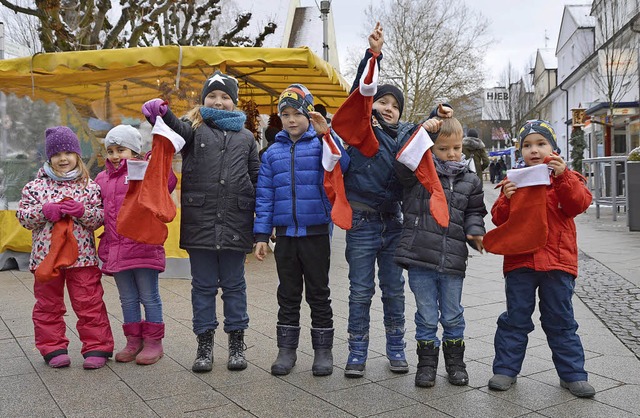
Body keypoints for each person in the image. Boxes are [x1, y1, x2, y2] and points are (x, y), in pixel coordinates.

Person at [332, 22, 453, 378]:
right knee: (359, 290)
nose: (387, 108)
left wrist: (438, 114)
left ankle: (396, 347)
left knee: (393, 291)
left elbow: (424, 131)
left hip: (393, 223)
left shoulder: (404, 134)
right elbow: (360, 91)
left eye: (394, 105)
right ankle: (356, 351)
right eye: (382, 102)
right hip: (361, 223)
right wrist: (374, 55)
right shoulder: (359, 132)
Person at [142, 70, 259, 373]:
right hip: (201, 222)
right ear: (203, 99)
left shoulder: (247, 138)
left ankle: (236, 342)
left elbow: (258, 178)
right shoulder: (193, 130)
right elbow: (174, 126)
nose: (218, 102)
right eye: (212, 96)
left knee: (235, 286)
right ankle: (204, 344)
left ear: (234, 102)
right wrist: (161, 112)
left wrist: (264, 224)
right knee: (203, 286)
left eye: (224, 97)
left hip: (236, 220)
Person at [487, 120, 595, 398]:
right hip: (520, 262)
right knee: (515, 319)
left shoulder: (566, 177)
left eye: (541, 143)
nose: (534, 150)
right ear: (520, 151)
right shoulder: (516, 179)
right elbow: (500, 219)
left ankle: (573, 375)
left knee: (561, 320)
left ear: (553, 148)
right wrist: (507, 198)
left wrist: (563, 177)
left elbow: (578, 204)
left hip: (558, 263)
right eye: (527, 145)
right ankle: (506, 370)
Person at [254, 84, 346, 377]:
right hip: (285, 236)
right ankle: (287, 350)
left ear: (309, 112)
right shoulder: (271, 154)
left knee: (319, 293)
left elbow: (345, 164)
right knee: (288, 293)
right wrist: (261, 235)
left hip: (316, 231)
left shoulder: (322, 144)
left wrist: (327, 133)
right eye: (285, 114)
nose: (292, 119)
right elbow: (264, 196)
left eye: (297, 113)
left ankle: (322, 351)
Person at [394, 117, 486, 388]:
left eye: (456, 148)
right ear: (430, 149)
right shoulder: (418, 174)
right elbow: (401, 161)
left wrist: (475, 231)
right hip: (420, 257)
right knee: (426, 314)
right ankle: (426, 364)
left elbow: (474, 211)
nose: (452, 154)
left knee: (453, 313)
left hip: (453, 258)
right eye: (443, 149)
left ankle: (456, 363)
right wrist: (421, 130)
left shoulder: (470, 179)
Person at [16, 126, 114, 369]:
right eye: (57, 154)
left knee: (89, 303)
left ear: (78, 156)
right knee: (48, 305)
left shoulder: (89, 187)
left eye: (69, 152)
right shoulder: (34, 187)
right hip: (45, 258)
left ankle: (97, 347)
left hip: (82, 259)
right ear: (49, 157)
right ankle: (53, 347)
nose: (63, 158)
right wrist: (43, 211)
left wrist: (83, 212)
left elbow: (100, 218)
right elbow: (23, 217)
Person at [95, 125, 177, 365]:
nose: (115, 155)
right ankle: (133, 340)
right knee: (127, 298)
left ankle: (154, 342)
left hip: (143, 246)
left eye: (121, 149)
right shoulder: (101, 178)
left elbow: (166, 183)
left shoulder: (143, 172)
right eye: (110, 150)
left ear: (134, 151)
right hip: (117, 248)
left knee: (149, 296)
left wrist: (157, 161)